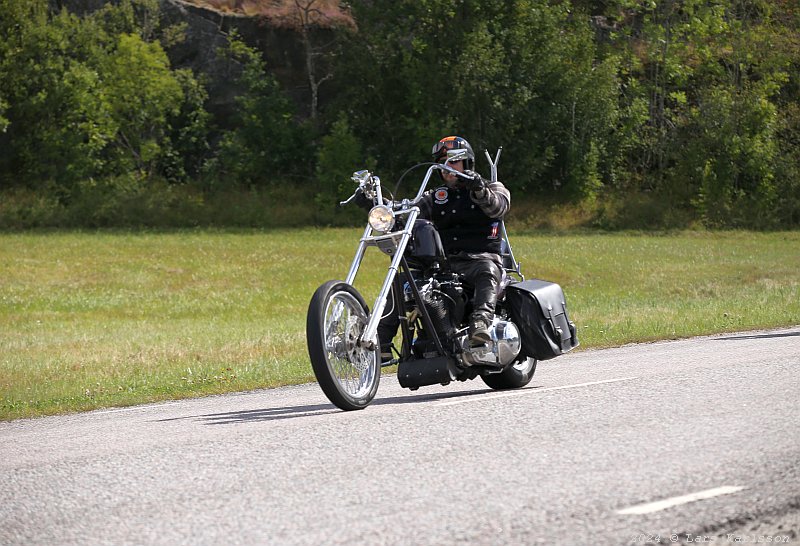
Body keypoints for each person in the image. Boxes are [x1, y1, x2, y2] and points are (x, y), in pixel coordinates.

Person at [373, 135, 511, 361]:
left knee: (487, 270)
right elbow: (405, 212)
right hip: (444, 267)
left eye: (454, 160)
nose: (447, 167)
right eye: (442, 162)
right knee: (401, 283)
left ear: (467, 162)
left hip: (480, 258)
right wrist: (379, 208)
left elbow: (499, 208)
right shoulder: (435, 197)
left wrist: (478, 188)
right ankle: (382, 344)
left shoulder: (492, 187)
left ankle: (480, 323)